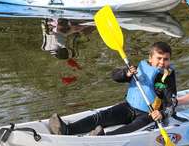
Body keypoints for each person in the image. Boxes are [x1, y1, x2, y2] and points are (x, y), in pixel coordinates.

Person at [49, 41, 178, 136]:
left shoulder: (167, 77)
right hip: (129, 107)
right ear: (150, 58)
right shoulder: (139, 69)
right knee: (101, 116)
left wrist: (162, 113)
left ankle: (104, 137)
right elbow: (114, 76)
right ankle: (68, 129)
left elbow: (172, 103)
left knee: (131, 128)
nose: (162, 62)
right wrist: (125, 73)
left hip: (149, 115)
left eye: (166, 59)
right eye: (159, 58)